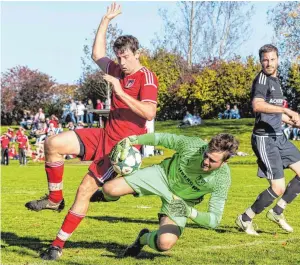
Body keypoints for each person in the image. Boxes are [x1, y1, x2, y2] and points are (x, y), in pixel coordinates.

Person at [25, 2, 159, 260]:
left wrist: (119, 92)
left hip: (123, 146)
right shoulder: (117, 69)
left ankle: (57, 245)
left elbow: (149, 113)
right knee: (53, 143)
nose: (122, 61)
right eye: (118, 56)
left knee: (85, 190)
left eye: (126, 57)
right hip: (104, 133)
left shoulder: (147, 77)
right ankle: (54, 199)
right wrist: (105, 20)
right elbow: (96, 53)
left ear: (138, 53)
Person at [101, 132, 238, 257]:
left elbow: (214, 220)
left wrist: (189, 212)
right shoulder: (193, 145)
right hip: (161, 176)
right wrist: (134, 139)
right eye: (206, 156)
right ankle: (102, 196)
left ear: (225, 162)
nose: (206, 161)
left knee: (164, 243)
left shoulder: (222, 179)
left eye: (212, 161)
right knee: (109, 189)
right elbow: (162, 139)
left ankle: (143, 238)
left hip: (181, 201)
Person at [235, 44, 300, 236]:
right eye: (265, 60)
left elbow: (275, 112)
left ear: (278, 59)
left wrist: (295, 123)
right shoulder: (262, 80)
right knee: (277, 187)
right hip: (264, 139)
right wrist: (286, 110)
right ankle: (245, 218)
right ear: (261, 61)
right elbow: (257, 105)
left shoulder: (276, 81)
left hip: (279, 136)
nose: (268, 63)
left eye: (272, 59)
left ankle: (277, 212)